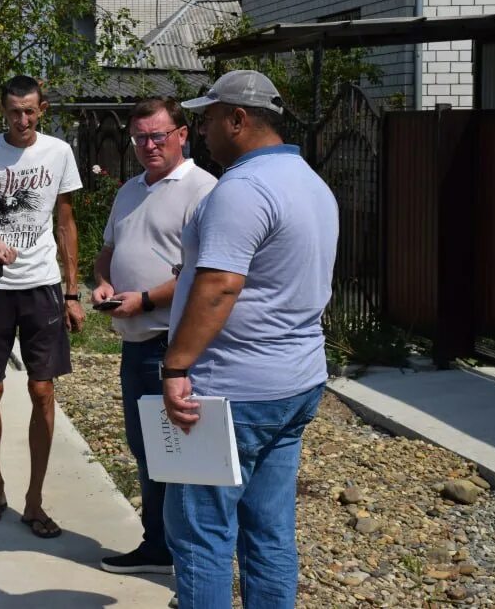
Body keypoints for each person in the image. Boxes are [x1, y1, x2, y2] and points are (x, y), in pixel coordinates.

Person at [162, 70, 337, 609]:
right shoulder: (311, 182)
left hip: (232, 390)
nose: (204, 130)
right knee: (268, 530)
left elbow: (220, 287)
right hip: (295, 382)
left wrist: (175, 368)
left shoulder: (241, 189)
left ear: (239, 119)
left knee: (201, 535)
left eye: (209, 118)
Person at [0, 74, 84, 540]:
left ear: (42, 109)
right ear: (2, 110)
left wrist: (73, 290)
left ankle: (34, 499)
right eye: (13, 111)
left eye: (30, 111)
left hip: (42, 286)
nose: (22, 119)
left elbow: (66, 222)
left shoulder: (58, 153)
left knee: (42, 391)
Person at [92, 97, 216, 576]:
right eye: (140, 137)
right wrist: (102, 281)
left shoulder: (203, 190)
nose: (148, 146)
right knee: (146, 448)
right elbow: (109, 250)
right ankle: (159, 545)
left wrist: (144, 299)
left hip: (172, 342)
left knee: (179, 451)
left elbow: (200, 273)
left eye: (158, 135)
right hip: (134, 340)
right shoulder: (130, 190)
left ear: (183, 134)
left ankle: (184, 554)